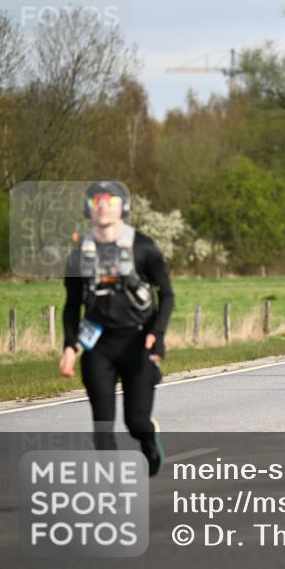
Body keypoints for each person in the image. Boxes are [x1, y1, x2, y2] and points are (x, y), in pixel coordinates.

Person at [60, 180, 174, 477]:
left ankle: (148, 439)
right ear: (89, 209)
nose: (102, 206)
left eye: (109, 200)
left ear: (122, 207)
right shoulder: (80, 254)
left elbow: (168, 295)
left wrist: (157, 333)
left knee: (135, 422)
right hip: (98, 345)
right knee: (102, 426)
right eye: (97, 201)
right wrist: (69, 346)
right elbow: (72, 304)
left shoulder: (144, 247)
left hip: (137, 341)